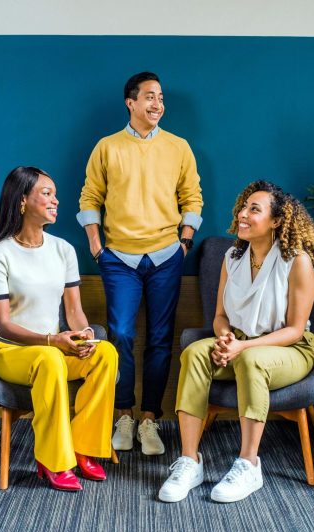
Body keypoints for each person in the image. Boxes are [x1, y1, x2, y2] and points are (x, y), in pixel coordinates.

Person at [158, 181, 314, 503]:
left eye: (254, 209)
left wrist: (242, 348)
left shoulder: (297, 261)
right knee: (195, 353)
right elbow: (220, 315)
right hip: (239, 343)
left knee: (251, 360)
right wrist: (224, 338)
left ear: (277, 221)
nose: (242, 214)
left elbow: (294, 329)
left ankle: (249, 465)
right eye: (243, 207)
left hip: (289, 348)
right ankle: (190, 462)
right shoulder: (232, 256)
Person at [78, 71, 204, 456]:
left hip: (167, 255)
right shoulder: (107, 147)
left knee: (161, 340)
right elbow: (90, 196)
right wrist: (97, 246)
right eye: (149, 97)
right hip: (118, 258)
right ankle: (124, 414)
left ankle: (150, 419)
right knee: (120, 335)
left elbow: (192, 197)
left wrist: (184, 243)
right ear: (130, 103)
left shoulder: (179, 147)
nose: (157, 104)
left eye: (161, 98)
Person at [0, 167, 118, 492]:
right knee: (50, 359)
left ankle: (83, 447)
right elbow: (1, 324)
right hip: (9, 350)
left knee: (105, 353)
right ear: (22, 201)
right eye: (46, 193)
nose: (56, 200)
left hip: (53, 348)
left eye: (55, 194)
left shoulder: (63, 250)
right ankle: (53, 460)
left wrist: (85, 334)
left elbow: (73, 311)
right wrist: (50, 341)